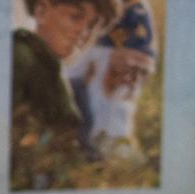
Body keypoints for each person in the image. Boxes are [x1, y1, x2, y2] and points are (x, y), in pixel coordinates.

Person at [12, 0, 119, 148]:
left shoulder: (53, 71)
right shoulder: (20, 57)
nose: (84, 33)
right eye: (75, 17)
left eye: (91, 26)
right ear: (41, 11)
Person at [66, 1, 156, 159]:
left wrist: (124, 61)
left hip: (119, 62)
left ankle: (113, 145)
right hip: (97, 57)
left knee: (114, 102)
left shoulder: (136, 10)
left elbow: (143, 52)